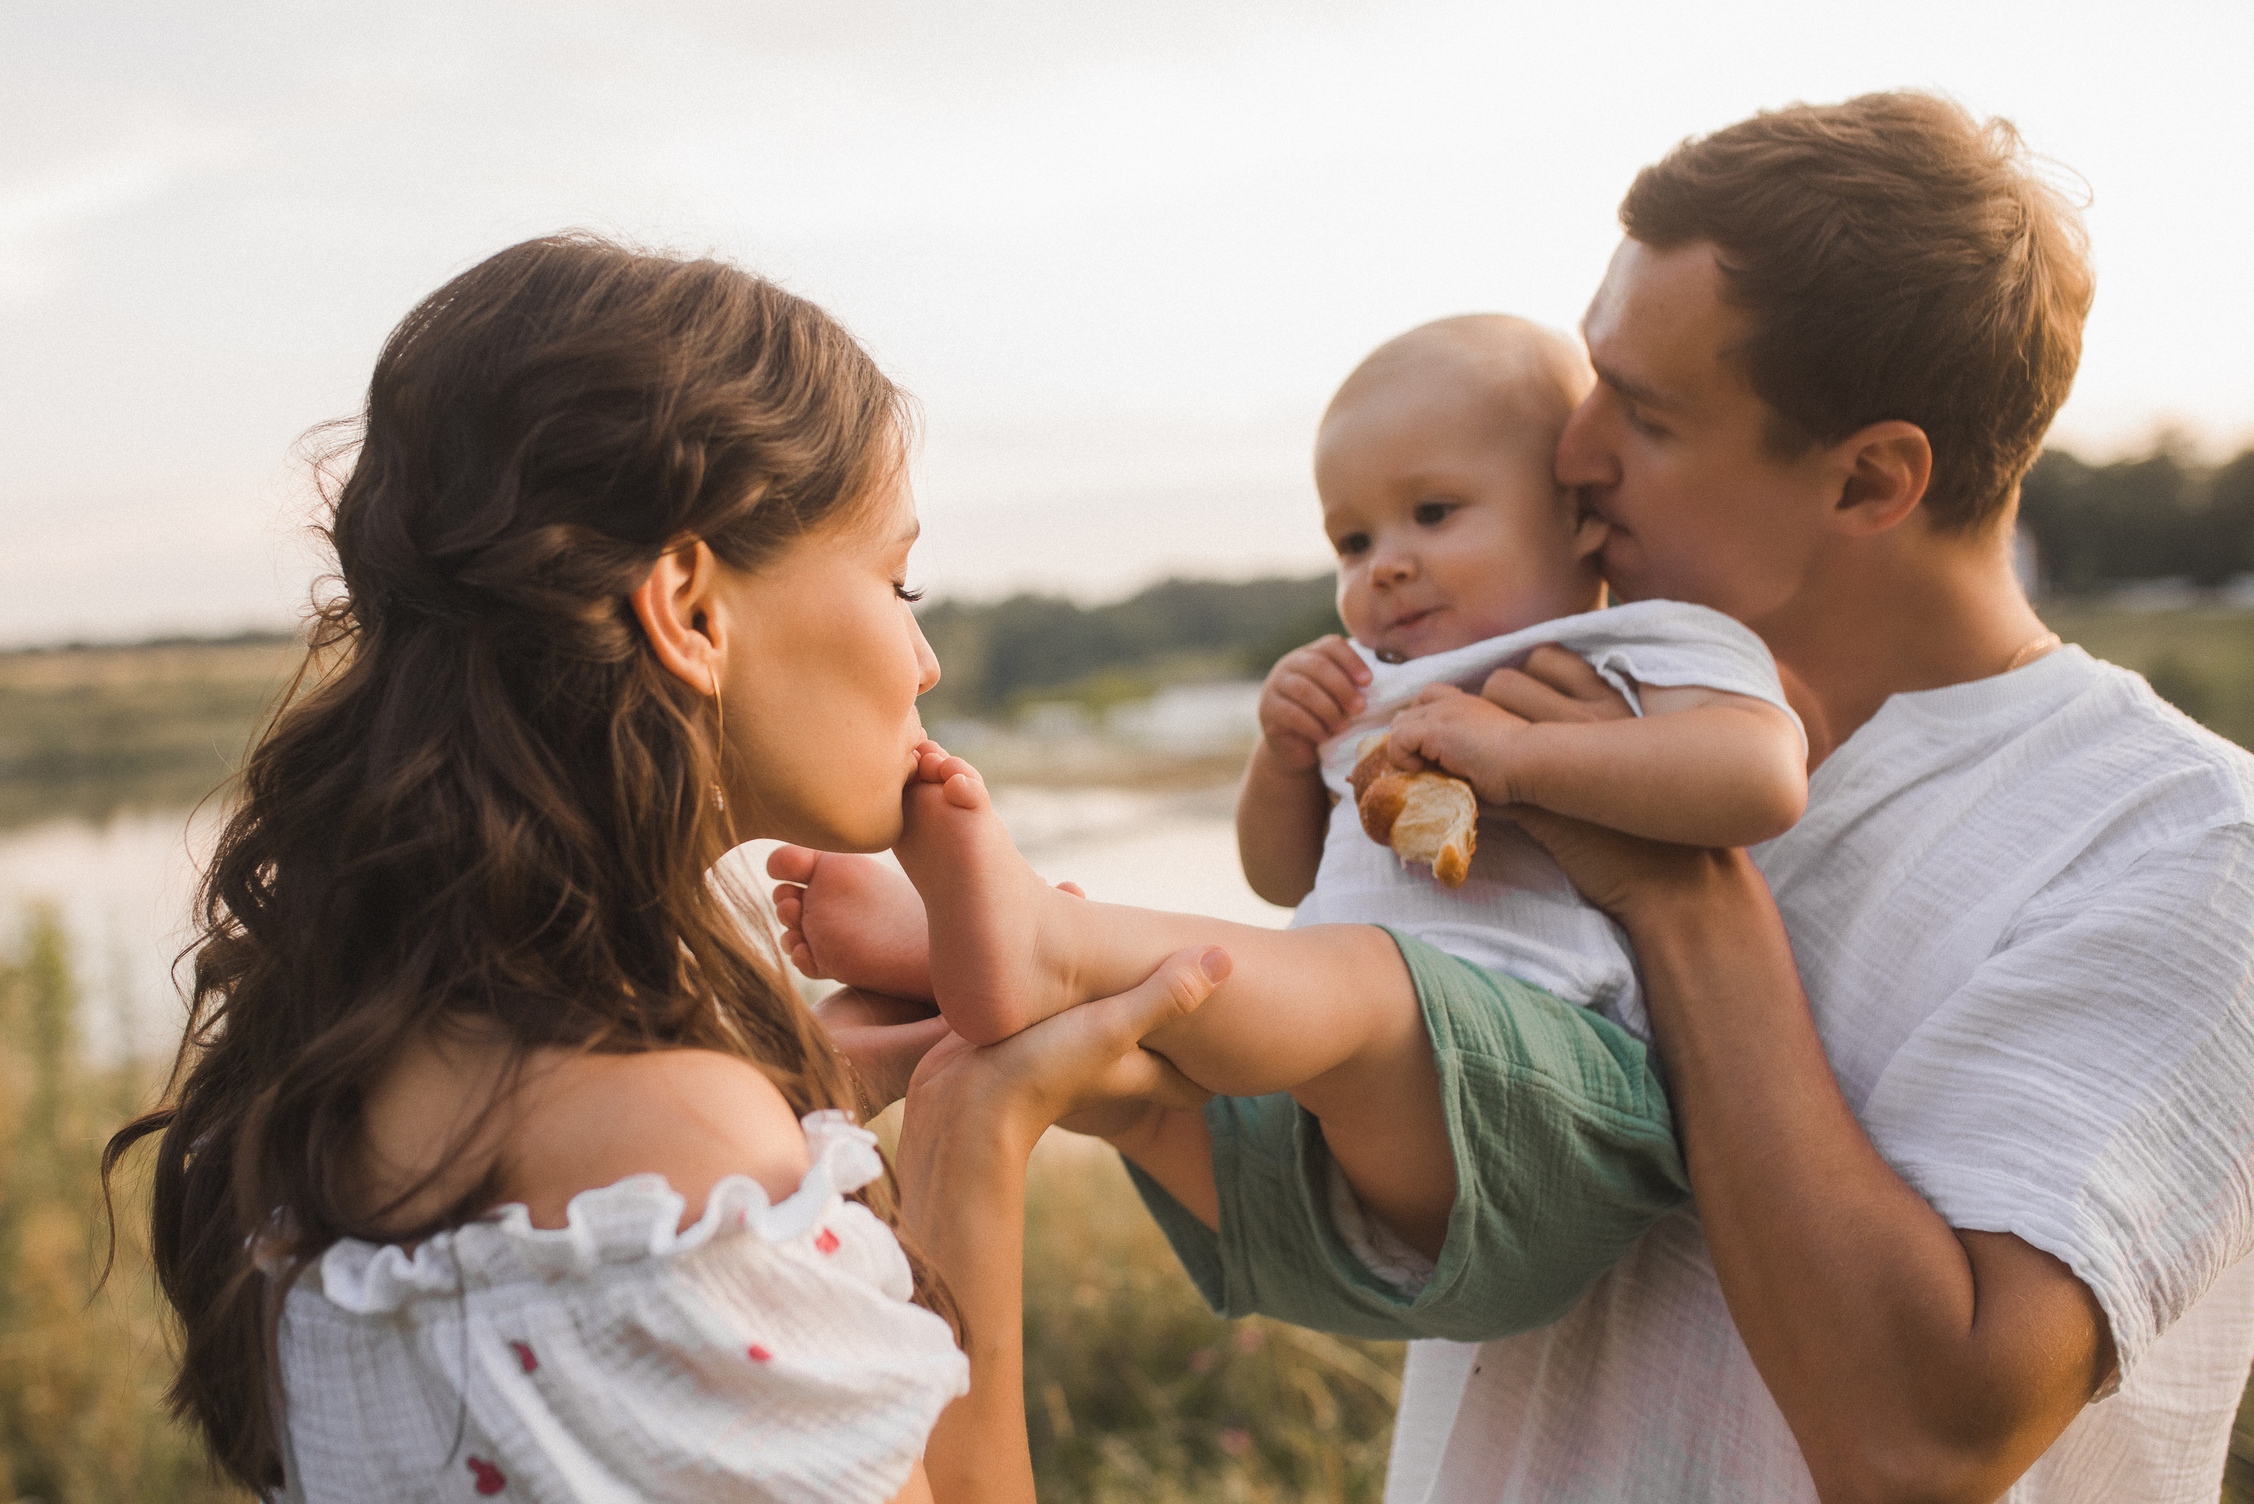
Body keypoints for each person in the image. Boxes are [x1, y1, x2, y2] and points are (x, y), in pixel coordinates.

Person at [1125, 93, 2254, 1504]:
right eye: (1593, 380)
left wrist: (1679, 894)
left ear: (1870, 480)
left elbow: (1912, 1449)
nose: (1572, 451)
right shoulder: (1561, 711)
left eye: (1643, 415)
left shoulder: (2178, 844)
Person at [101, 235, 1229, 1504]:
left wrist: (808, 1087)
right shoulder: (678, 1159)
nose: (922, 659)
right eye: (902, 582)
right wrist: (976, 1127)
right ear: (692, 607)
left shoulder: (321, 1069)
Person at [768, 312, 1809, 1340]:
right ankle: (959, 999)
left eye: (1434, 513)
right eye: (1352, 541)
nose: (1385, 565)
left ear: (1579, 514)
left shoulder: (1632, 639)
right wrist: (1284, 758)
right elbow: (1279, 873)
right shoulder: (1366, 685)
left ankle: (1043, 937)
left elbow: (1759, 777)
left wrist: (1523, 759)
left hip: (1555, 1113)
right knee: (1150, 1085)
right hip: (1327, 1188)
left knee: (1342, 986)